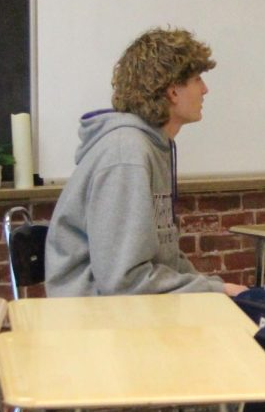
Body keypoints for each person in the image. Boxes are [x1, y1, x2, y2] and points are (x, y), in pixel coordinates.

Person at [45, 27, 246, 297]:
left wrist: (211, 287)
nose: (205, 89)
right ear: (173, 91)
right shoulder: (126, 155)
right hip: (96, 319)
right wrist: (214, 290)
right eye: (197, 79)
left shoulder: (153, 145)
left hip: (124, 310)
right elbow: (122, 282)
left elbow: (162, 261)